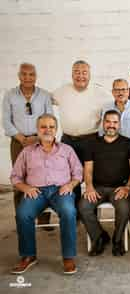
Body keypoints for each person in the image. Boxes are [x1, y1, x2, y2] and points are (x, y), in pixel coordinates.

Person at [10, 114, 82, 275]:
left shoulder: (67, 150)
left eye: (51, 127)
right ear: (37, 130)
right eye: (43, 126)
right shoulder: (27, 152)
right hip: (36, 191)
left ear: (56, 130)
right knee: (23, 214)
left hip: (61, 190)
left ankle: (68, 257)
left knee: (69, 212)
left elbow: (78, 172)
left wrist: (70, 184)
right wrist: (26, 188)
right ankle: (28, 255)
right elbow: (15, 177)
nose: (47, 130)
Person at [53, 60, 112, 205]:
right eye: (77, 72)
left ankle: (90, 208)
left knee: (91, 175)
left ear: (90, 74)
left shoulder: (101, 93)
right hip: (68, 139)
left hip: (91, 139)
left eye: (84, 72)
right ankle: (74, 212)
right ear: (72, 74)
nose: (80, 76)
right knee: (69, 175)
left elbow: (119, 102)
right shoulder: (61, 91)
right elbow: (43, 100)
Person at [79, 110, 130, 257]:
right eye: (108, 122)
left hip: (119, 188)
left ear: (119, 124)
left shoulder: (127, 143)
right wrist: (89, 187)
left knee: (124, 209)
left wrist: (127, 187)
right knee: (83, 206)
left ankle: (117, 241)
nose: (111, 125)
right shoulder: (92, 143)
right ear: (103, 123)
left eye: (115, 122)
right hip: (97, 188)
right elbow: (88, 169)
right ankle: (99, 237)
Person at [2, 63, 53, 225]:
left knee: (42, 177)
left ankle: (43, 220)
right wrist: (22, 139)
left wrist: (39, 137)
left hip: (41, 141)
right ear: (19, 76)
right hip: (18, 142)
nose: (27, 77)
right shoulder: (10, 95)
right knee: (20, 179)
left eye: (31, 74)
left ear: (36, 76)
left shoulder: (44, 95)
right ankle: (22, 220)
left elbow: (49, 119)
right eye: (24, 74)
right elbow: (6, 121)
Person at [101, 79, 130, 145]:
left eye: (123, 90)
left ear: (128, 91)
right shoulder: (106, 108)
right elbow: (102, 129)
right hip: (111, 148)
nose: (120, 93)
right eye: (117, 90)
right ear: (113, 92)